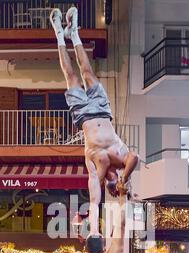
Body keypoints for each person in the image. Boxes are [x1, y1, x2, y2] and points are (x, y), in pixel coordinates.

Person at [50, 6, 139, 234]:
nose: (114, 179)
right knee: (87, 72)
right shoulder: (121, 160)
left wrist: (94, 230)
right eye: (116, 180)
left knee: (70, 76)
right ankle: (75, 33)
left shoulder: (96, 168)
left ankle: (59, 34)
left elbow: (93, 200)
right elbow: (135, 157)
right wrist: (125, 180)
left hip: (83, 115)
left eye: (113, 183)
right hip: (102, 109)